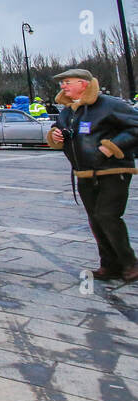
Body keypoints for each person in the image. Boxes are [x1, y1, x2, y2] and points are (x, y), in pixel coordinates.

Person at [47, 68, 138, 284]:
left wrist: (110, 147)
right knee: (95, 220)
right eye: (62, 83)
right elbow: (58, 130)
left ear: (84, 83)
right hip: (84, 173)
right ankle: (109, 264)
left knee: (107, 215)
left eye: (68, 82)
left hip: (112, 170)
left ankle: (130, 263)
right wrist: (55, 134)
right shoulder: (68, 111)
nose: (63, 86)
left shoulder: (109, 104)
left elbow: (135, 126)